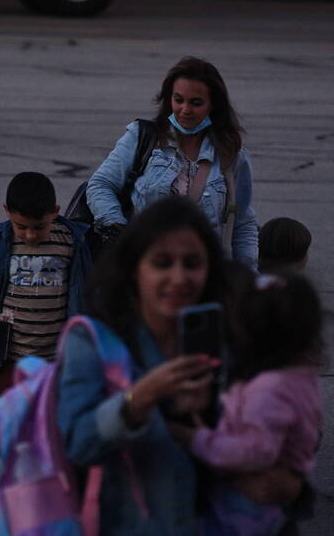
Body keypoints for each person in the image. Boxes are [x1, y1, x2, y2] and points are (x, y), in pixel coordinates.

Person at [57, 196, 226, 533]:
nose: (179, 277)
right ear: (135, 269)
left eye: (192, 263)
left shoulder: (225, 338)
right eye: (162, 263)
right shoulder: (94, 342)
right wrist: (139, 398)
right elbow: (77, 444)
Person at [174, 270, 325, 535]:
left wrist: (198, 439)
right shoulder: (298, 377)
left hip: (246, 511)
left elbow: (255, 452)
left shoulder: (269, 390)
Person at [86, 57, 257, 267]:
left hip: (206, 276)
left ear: (213, 105)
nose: (185, 109)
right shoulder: (142, 137)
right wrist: (120, 232)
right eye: (178, 99)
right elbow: (100, 185)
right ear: (168, 99)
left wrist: (247, 276)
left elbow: (243, 224)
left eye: (196, 102)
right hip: (145, 270)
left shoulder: (232, 155)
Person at [0, 172, 93, 401]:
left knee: (46, 429)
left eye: (39, 227)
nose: (30, 235)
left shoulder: (72, 241)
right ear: (6, 211)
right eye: (21, 226)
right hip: (5, 361)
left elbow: (87, 295)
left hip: (54, 363)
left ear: (55, 212)